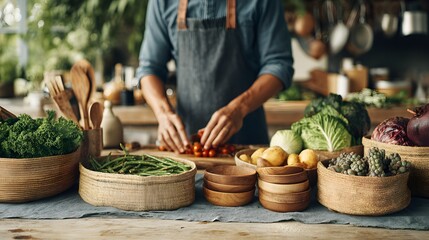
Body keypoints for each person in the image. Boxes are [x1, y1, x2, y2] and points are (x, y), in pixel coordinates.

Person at [136, 0, 294, 153]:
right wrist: (163, 113)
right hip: (186, 147)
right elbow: (149, 69)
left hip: (247, 149)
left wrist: (239, 108)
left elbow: (278, 64)